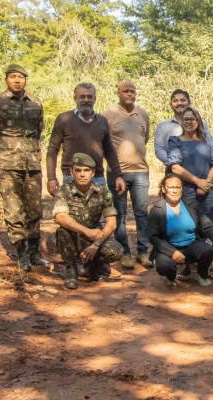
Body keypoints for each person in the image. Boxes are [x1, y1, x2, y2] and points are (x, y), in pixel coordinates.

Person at [0, 64, 50, 271]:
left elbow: (38, 133)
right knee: (13, 209)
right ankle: (22, 254)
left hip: (32, 162)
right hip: (8, 163)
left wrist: (29, 151)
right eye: (13, 77)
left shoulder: (35, 104)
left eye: (21, 77)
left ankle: (34, 252)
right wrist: (2, 153)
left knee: (35, 208)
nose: (17, 80)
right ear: (6, 80)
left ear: (25, 80)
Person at [164, 106, 213, 278]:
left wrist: (206, 182)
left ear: (198, 121)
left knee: (212, 226)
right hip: (186, 192)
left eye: (193, 119)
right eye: (186, 119)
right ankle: (188, 266)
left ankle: (212, 265)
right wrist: (197, 181)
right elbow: (175, 166)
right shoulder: (175, 141)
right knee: (189, 228)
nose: (189, 122)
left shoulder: (207, 141)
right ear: (181, 122)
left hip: (208, 191)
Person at [53, 153, 124, 290]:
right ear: (71, 172)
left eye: (86, 171)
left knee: (116, 251)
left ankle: (93, 268)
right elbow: (60, 217)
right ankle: (71, 272)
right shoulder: (64, 191)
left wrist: (95, 245)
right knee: (62, 231)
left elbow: (112, 223)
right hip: (73, 236)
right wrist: (86, 231)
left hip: (93, 238)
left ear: (93, 173)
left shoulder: (102, 192)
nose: (82, 174)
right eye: (78, 170)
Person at [102, 80, 152, 269]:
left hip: (141, 172)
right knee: (120, 214)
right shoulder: (109, 115)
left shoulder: (143, 115)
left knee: (141, 213)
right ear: (118, 93)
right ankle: (123, 253)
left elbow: (144, 139)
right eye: (125, 91)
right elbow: (104, 143)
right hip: (118, 173)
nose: (130, 94)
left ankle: (142, 252)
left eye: (132, 91)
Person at [148, 174, 213, 287]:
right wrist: (172, 252)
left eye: (177, 187)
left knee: (208, 251)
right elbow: (153, 237)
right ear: (164, 189)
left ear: (182, 189)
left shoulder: (191, 204)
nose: (174, 191)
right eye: (171, 187)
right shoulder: (157, 210)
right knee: (163, 266)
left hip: (191, 246)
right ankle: (171, 277)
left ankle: (201, 274)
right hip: (168, 249)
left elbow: (206, 225)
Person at [47, 83, 125, 193]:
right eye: (82, 97)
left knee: (100, 209)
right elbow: (53, 149)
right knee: (72, 210)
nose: (86, 100)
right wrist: (51, 178)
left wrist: (119, 175)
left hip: (97, 177)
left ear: (95, 99)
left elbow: (109, 150)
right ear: (75, 98)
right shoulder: (63, 119)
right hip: (71, 177)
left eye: (90, 97)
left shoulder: (102, 121)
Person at [154, 89, 213, 166]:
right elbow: (159, 150)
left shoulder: (201, 123)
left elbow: (209, 144)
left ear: (189, 103)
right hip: (174, 171)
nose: (179, 103)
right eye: (175, 101)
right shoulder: (163, 126)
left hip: (200, 167)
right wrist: (175, 163)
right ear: (171, 104)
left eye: (182, 100)